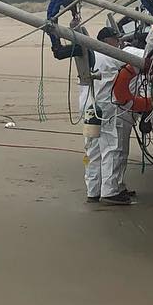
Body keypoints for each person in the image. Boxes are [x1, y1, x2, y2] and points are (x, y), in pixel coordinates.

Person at [49, 16, 103, 204]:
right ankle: (94, 189)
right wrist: (53, 33)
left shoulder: (84, 48)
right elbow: (58, 53)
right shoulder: (83, 47)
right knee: (92, 144)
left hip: (90, 97)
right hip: (90, 101)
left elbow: (58, 51)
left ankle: (98, 186)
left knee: (93, 145)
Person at [94, 28, 137, 206]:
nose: (118, 42)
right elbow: (137, 57)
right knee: (114, 148)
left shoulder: (92, 54)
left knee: (98, 150)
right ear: (106, 41)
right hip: (111, 109)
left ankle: (106, 188)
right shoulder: (109, 55)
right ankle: (110, 192)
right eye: (115, 39)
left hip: (96, 107)